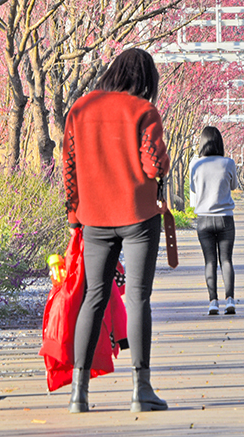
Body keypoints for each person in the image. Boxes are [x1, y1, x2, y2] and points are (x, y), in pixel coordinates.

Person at [63, 48, 170, 413]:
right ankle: (141, 390)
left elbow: (69, 167)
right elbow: (153, 166)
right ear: (146, 79)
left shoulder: (80, 109)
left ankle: (79, 393)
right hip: (138, 215)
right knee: (137, 297)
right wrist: (163, 159)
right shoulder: (143, 111)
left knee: (93, 297)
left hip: (94, 217)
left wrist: (74, 216)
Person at [189, 126, 238, 316]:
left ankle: (213, 302)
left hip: (204, 220)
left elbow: (194, 189)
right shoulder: (228, 163)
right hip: (225, 218)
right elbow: (233, 185)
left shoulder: (196, 165)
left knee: (209, 261)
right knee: (226, 260)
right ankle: (230, 300)